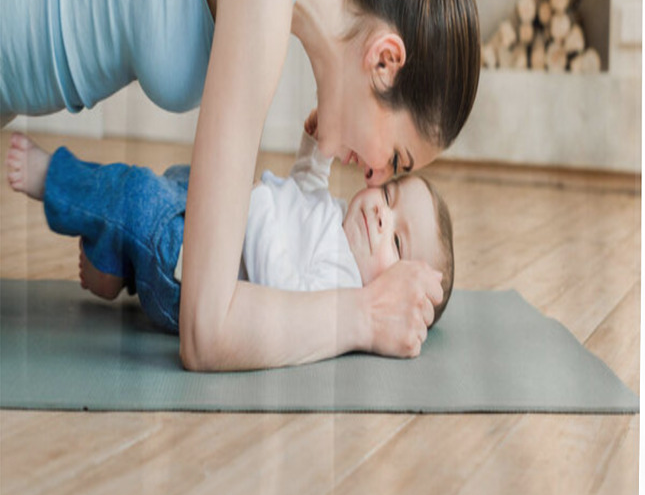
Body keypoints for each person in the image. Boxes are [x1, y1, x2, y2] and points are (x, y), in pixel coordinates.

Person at [0, 0, 480, 371]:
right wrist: (365, 315)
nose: (371, 178)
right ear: (386, 62)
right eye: (395, 162)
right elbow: (207, 331)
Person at [5, 122, 455, 367]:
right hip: (220, 220)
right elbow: (306, 192)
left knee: (138, 196)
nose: (381, 214)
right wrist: (317, 148)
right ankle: (114, 271)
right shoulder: (342, 220)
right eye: (390, 196)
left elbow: (281, 288)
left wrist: (254, 204)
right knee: (178, 178)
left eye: (396, 240)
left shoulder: (342, 281)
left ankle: (54, 180)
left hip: (192, 275)